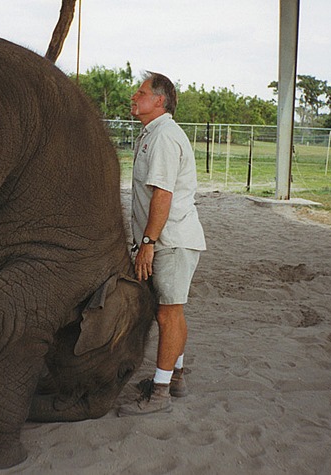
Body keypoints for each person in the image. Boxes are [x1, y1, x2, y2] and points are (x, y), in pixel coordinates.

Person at [118, 71, 206, 417]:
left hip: (171, 240)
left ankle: (160, 393)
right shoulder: (152, 133)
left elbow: (163, 195)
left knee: (168, 314)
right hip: (169, 239)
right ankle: (176, 377)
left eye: (140, 93)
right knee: (170, 310)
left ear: (159, 100)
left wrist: (148, 242)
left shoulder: (165, 137)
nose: (134, 97)